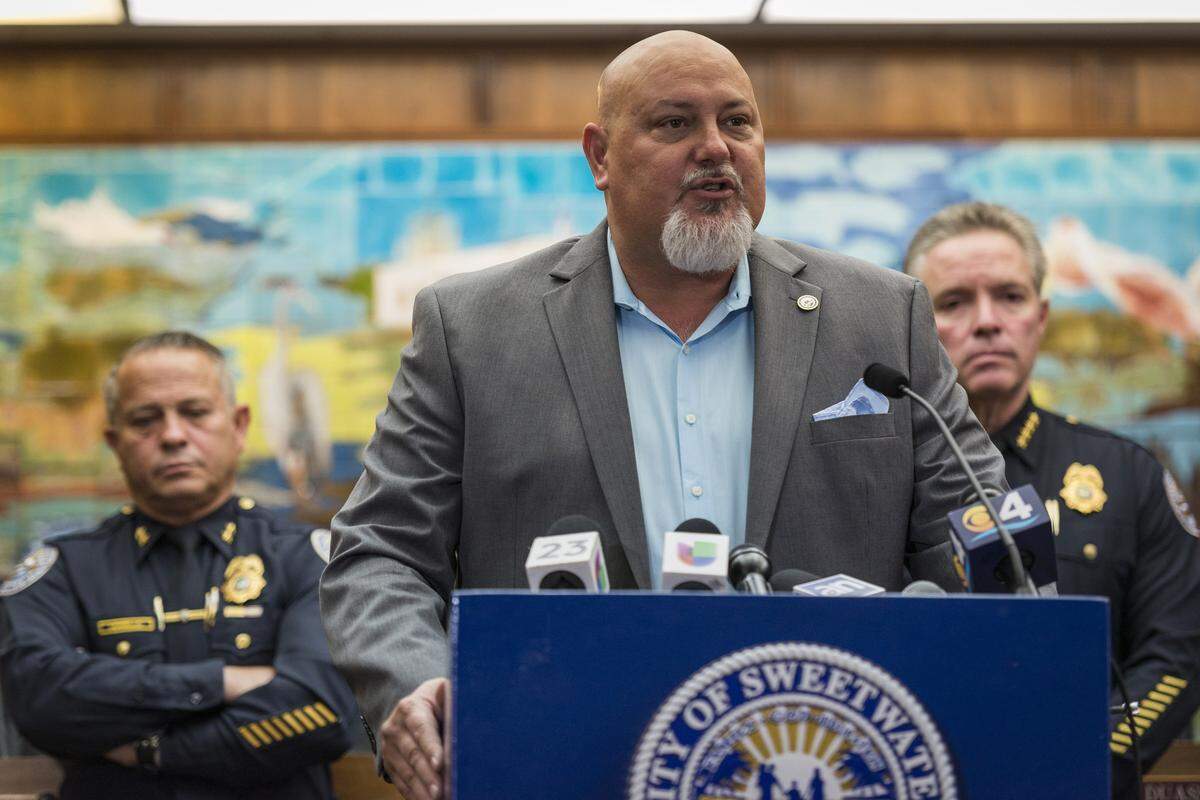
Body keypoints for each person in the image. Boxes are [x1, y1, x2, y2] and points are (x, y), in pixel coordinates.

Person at [321, 31, 1005, 800]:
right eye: (676, 124)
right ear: (600, 157)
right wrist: (416, 686)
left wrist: (929, 632)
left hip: (826, 761)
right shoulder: (472, 329)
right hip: (561, 761)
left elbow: (983, 545)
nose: (716, 149)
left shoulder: (880, 316)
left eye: (737, 123)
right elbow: (378, 552)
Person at [904, 201, 1200, 798]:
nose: (987, 322)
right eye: (954, 302)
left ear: (1040, 318)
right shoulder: (876, 476)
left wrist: (1085, 757)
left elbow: (1175, 650)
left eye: (1010, 297)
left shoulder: (1128, 474)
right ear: (911, 327)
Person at [0, 331, 356, 799]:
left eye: (194, 412)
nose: (172, 435)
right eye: (145, 420)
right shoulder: (63, 570)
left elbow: (321, 712)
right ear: (115, 441)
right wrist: (222, 682)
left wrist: (153, 752)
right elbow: (41, 701)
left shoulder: (310, 560)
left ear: (239, 424)